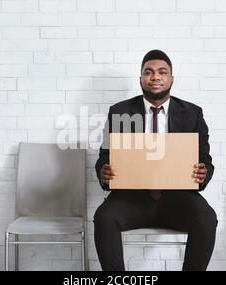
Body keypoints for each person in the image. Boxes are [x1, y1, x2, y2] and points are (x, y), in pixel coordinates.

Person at [93, 50, 217, 271]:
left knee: (207, 218)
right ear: (140, 79)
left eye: (162, 72)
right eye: (148, 72)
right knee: (104, 218)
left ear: (171, 78)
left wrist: (204, 171)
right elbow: (105, 156)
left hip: (177, 198)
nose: (155, 77)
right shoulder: (120, 111)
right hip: (132, 199)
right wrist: (104, 170)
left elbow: (205, 159)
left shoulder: (192, 113)